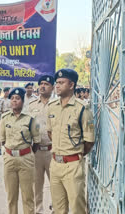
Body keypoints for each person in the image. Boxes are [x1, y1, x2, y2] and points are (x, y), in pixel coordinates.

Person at [47, 69, 95, 214]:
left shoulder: (82, 109)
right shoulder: (52, 107)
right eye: (57, 83)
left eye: (62, 83)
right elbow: (50, 133)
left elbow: (89, 141)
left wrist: (75, 154)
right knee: (58, 208)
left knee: (77, 209)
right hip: (55, 164)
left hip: (73, 166)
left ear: (71, 85)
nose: (58, 86)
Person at [0, 87, 40, 214]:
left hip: (25, 159)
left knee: (28, 196)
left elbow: (36, 141)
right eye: (12, 99)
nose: (14, 101)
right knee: (11, 197)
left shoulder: (30, 118)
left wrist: (26, 153)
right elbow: (2, 140)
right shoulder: (5, 118)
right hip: (9, 159)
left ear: (23, 101)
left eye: (17, 99)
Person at [28, 75, 55, 214]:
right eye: (41, 84)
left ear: (53, 87)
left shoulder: (57, 104)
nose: (43, 86)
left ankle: (56, 207)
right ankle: (38, 210)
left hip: (53, 150)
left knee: (55, 182)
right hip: (36, 151)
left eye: (46, 84)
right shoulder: (31, 105)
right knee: (36, 183)